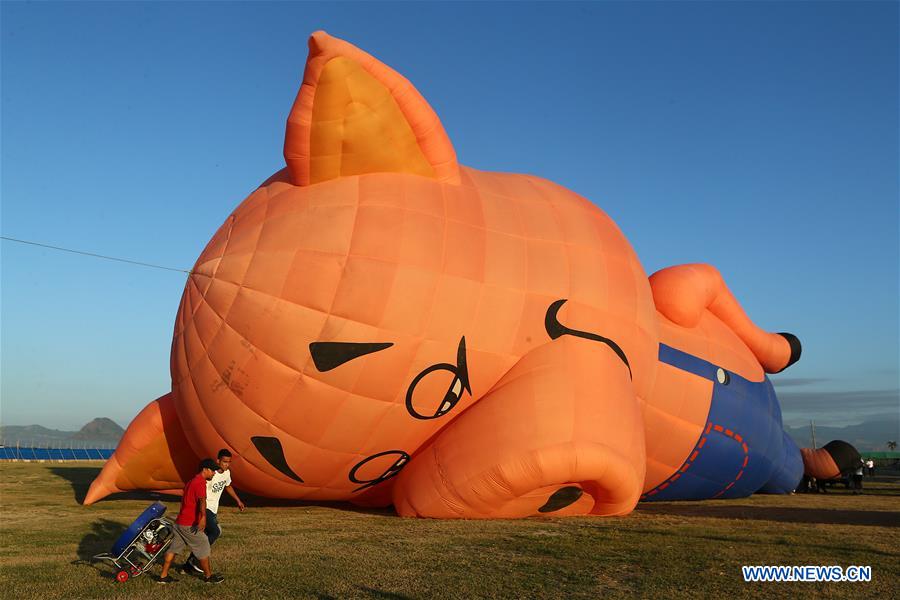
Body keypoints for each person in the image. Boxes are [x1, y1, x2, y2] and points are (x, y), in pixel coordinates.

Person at [157, 459, 224, 584]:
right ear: (205, 469)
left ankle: (163, 576)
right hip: (189, 524)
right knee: (203, 544)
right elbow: (202, 501)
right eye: (213, 471)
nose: (214, 473)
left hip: (179, 523)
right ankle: (209, 577)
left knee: (173, 549)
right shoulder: (199, 483)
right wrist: (203, 517)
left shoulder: (191, 481)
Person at [181, 448, 245, 575]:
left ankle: (188, 565)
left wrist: (238, 500)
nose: (227, 464)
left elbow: (228, 486)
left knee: (203, 537)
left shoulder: (227, 473)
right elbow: (199, 489)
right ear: (218, 461)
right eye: (224, 462)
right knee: (215, 531)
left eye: (229, 462)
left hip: (213, 509)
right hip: (205, 507)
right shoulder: (211, 474)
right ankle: (198, 559)